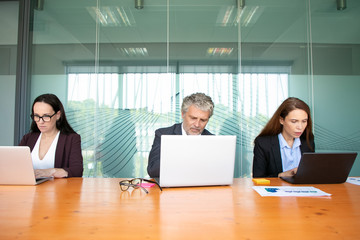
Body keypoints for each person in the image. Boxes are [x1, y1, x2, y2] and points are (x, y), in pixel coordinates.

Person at [147, 92, 214, 178]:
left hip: (202, 189)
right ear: (183, 114)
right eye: (193, 118)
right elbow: (152, 171)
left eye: (203, 120)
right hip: (171, 189)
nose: (197, 124)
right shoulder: (163, 134)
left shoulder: (212, 140)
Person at [19, 93, 83, 178]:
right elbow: (16, 166)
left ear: (58, 115)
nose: (41, 121)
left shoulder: (71, 139)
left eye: (46, 116)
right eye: (37, 116)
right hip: (29, 190)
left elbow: (77, 171)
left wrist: (51, 171)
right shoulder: (28, 138)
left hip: (58, 190)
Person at [252, 97, 315, 178]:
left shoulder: (308, 141)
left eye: (304, 121)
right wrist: (281, 175)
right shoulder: (263, 143)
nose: (300, 127)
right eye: (294, 121)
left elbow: (311, 173)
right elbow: (258, 177)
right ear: (281, 120)